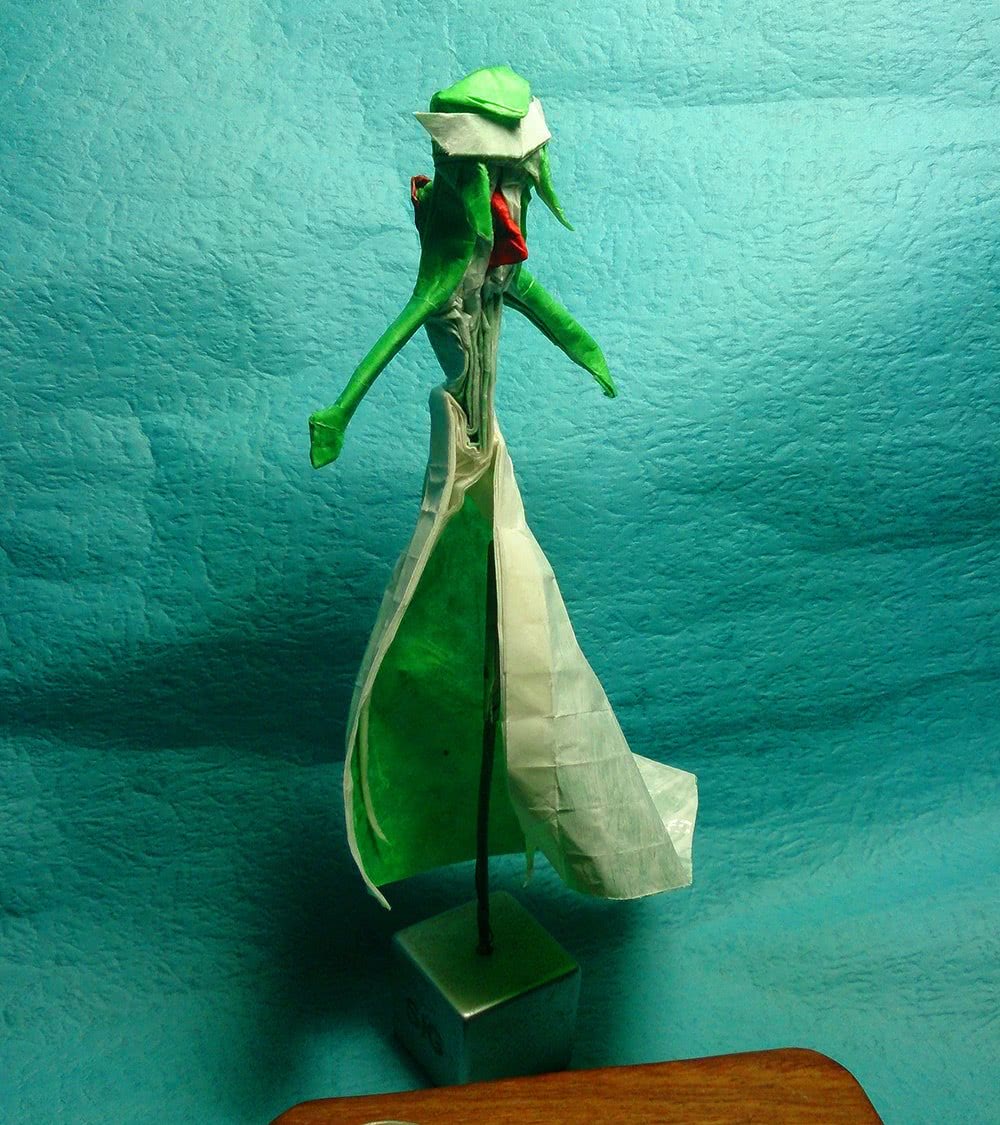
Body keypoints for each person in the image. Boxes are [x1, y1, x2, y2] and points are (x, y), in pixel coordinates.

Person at [309, 66, 697, 908]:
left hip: (487, 461)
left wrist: (588, 351)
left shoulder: (492, 262)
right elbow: (402, 326)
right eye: (505, 177)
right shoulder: (453, 264)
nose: (515, 192)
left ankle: (535, 799)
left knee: (516, 635)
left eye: (519, 177)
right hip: (464, 456)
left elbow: (536, 299)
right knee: (470, 629)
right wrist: (339, 411)